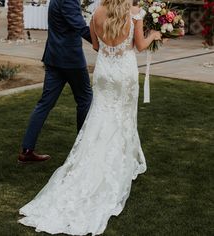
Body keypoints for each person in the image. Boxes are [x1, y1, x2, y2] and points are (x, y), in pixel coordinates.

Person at [18, 0, 162, 234]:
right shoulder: (134, 12)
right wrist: (152, 35)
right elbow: (139, 45)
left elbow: (95, 45)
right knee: (117, 115)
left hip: (96, 70)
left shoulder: (96, 12)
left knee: (94, 114)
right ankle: (112, 156)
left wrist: (107, 40)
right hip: (109, 69)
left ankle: (80, 152)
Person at [18, 0, 93, 163]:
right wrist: (105, 46)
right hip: (70, 60)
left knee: (44, 104)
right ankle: (82, 147)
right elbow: (81, 28)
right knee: (85, 99)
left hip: (54, 57)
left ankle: (27, 150)